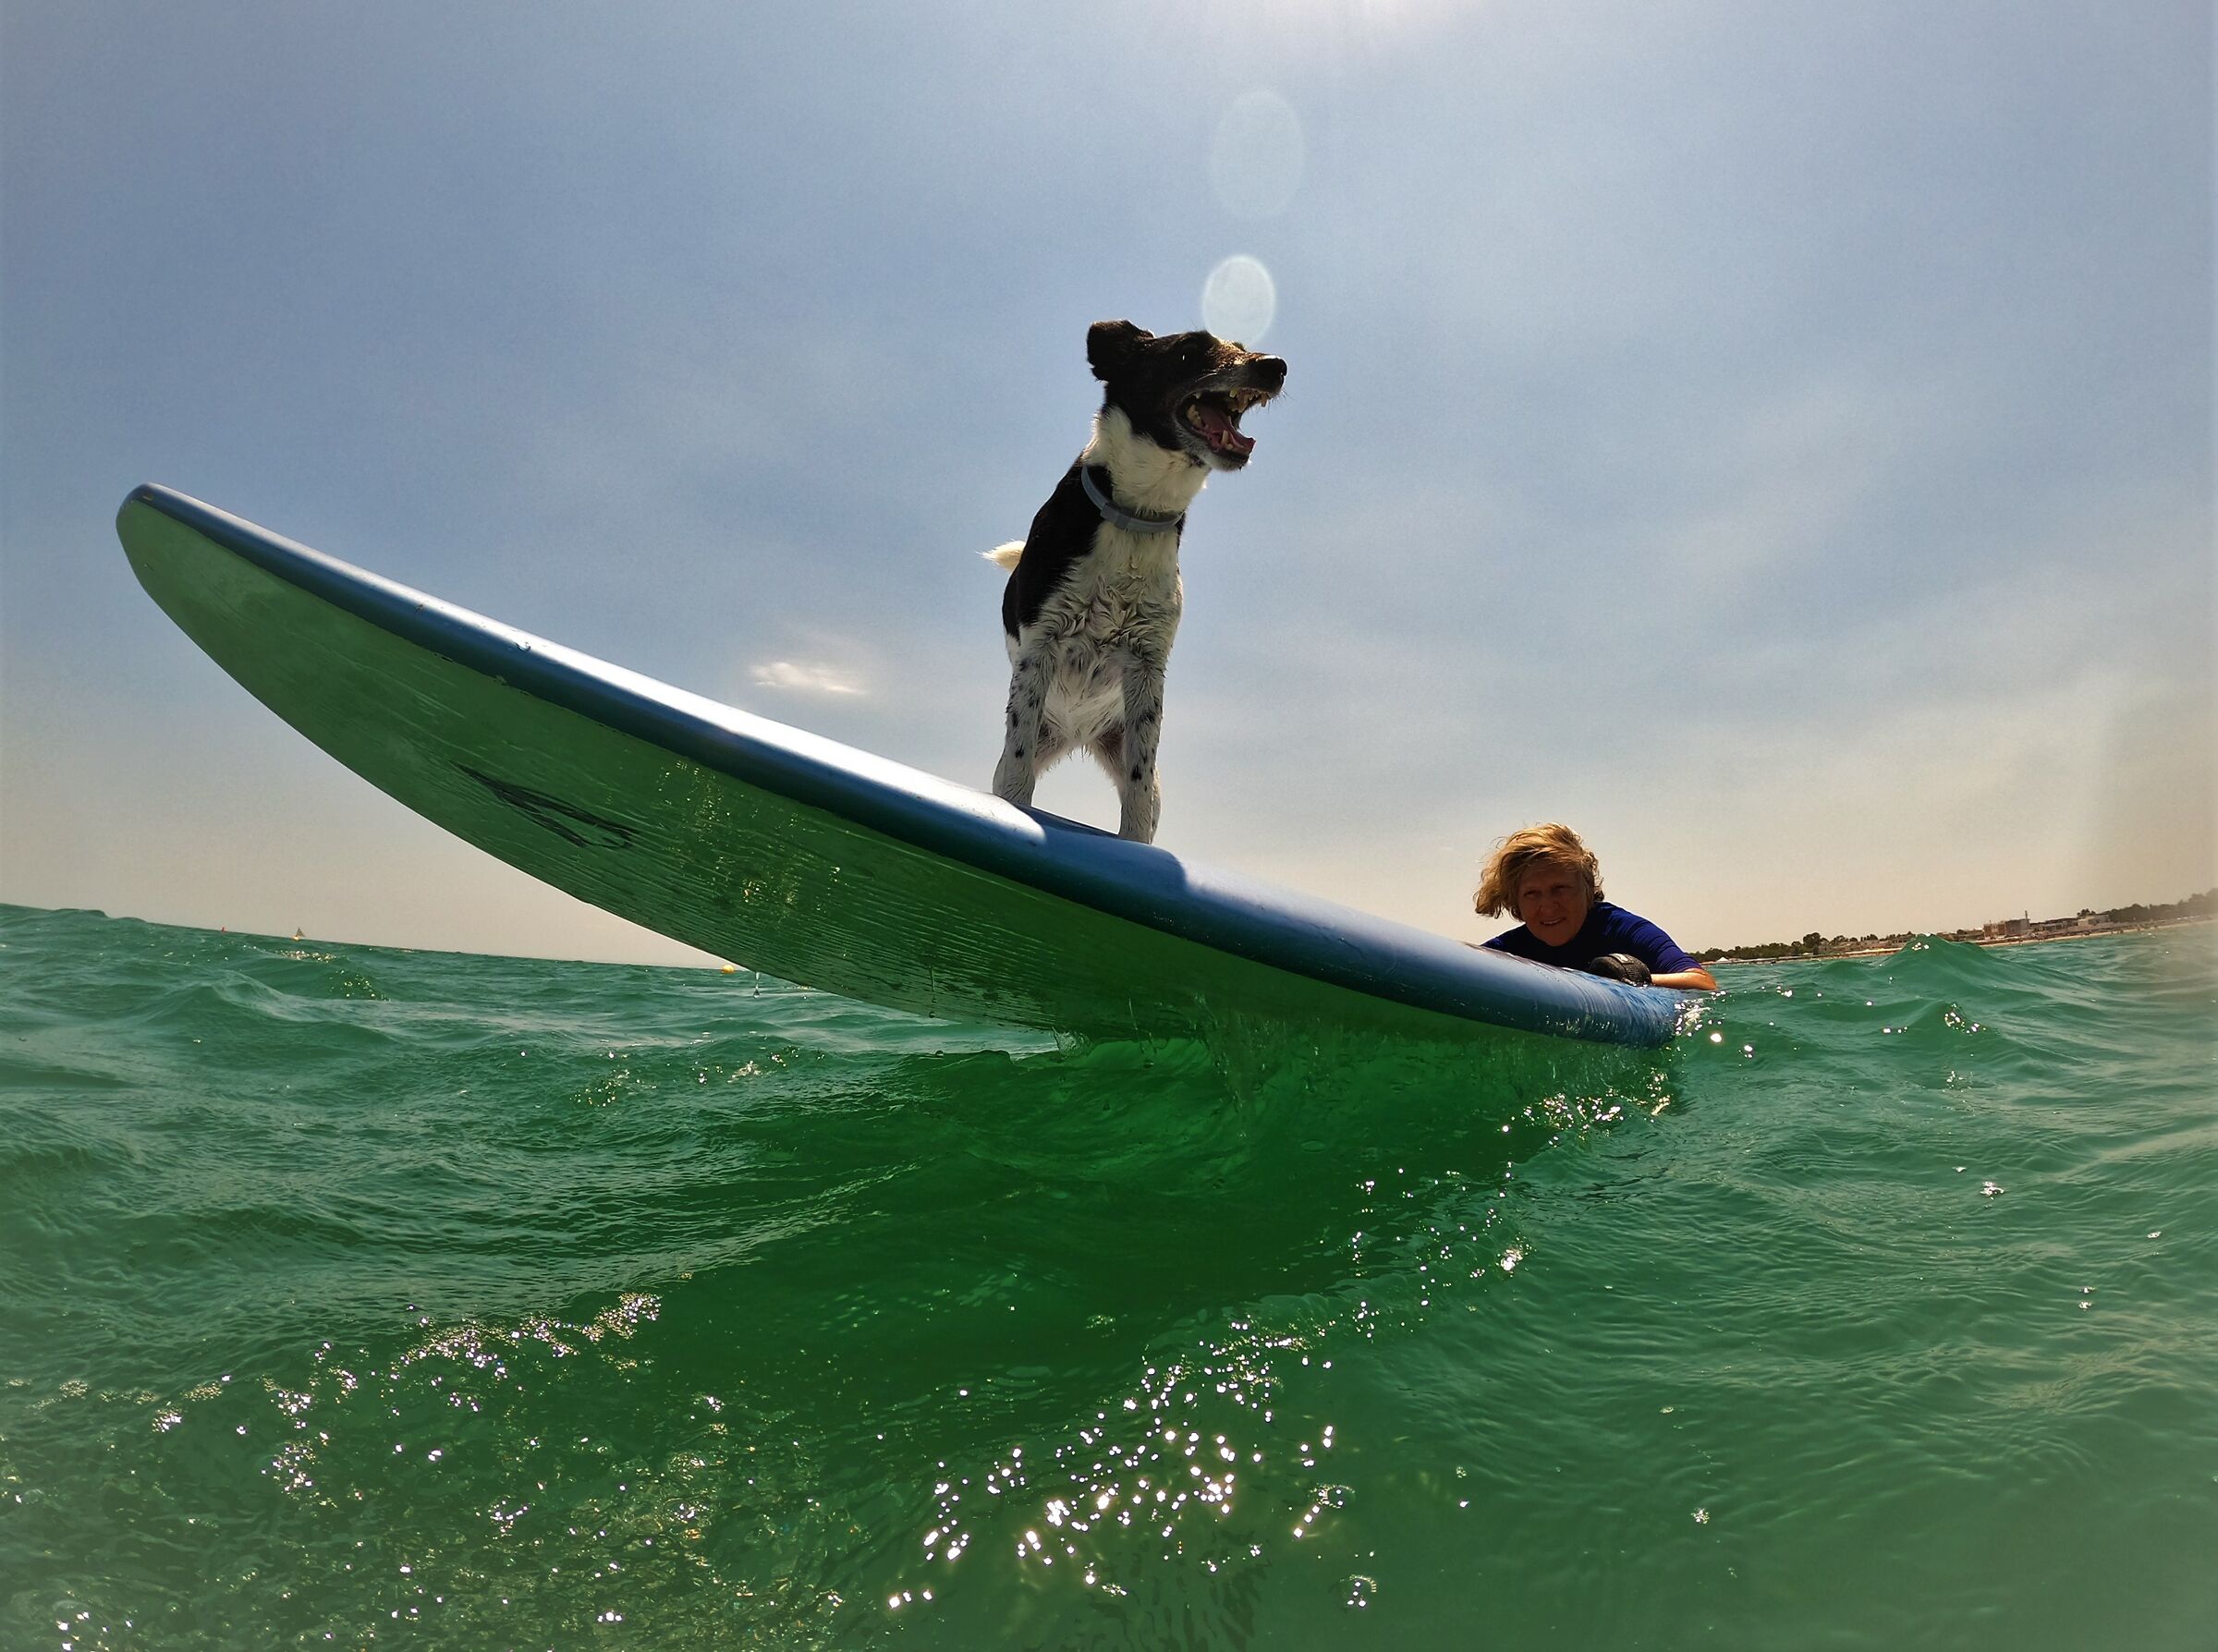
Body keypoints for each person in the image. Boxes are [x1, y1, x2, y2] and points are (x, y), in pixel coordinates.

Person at [1473, 823, 1717, 991]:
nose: (1547, 906)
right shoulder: (1509, 950)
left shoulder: (1623, 929)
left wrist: (1628, 979)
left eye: (1560, 888)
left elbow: (1703, 983)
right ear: (1515, 901)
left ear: (1587, 889)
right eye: (1531, 894)